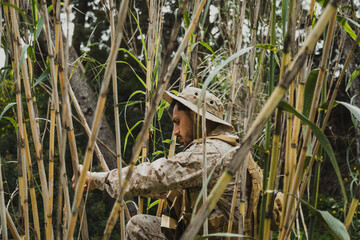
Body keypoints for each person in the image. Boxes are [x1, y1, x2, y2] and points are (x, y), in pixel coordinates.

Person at [74, 87, 275, 239]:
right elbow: (165, 189)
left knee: (137, 227)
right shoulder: (229, 148)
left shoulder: (212, 153)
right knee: (140, 225)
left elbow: (153, 177)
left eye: (178, 122)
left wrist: (97, 179)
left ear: (197, 118)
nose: (176, 131)